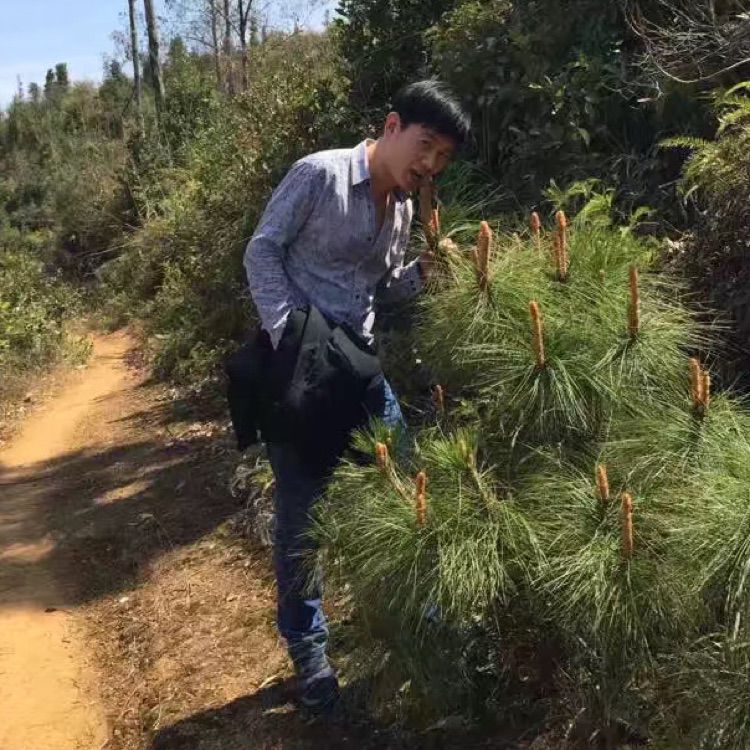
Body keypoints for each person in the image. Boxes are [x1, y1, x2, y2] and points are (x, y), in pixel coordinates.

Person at [243, 79, 471, 714]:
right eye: (426, 145)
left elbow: (383, 289)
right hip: (299, 371)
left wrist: (425, 273)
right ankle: (310, 654)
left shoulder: (400, 209)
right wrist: (290, 333)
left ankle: (427, 625)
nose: (430, 165)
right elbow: (262, 251)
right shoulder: (319, 175)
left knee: (408, 490)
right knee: (303, 518)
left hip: (360, 370)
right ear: (392, 126)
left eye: (442, 158)